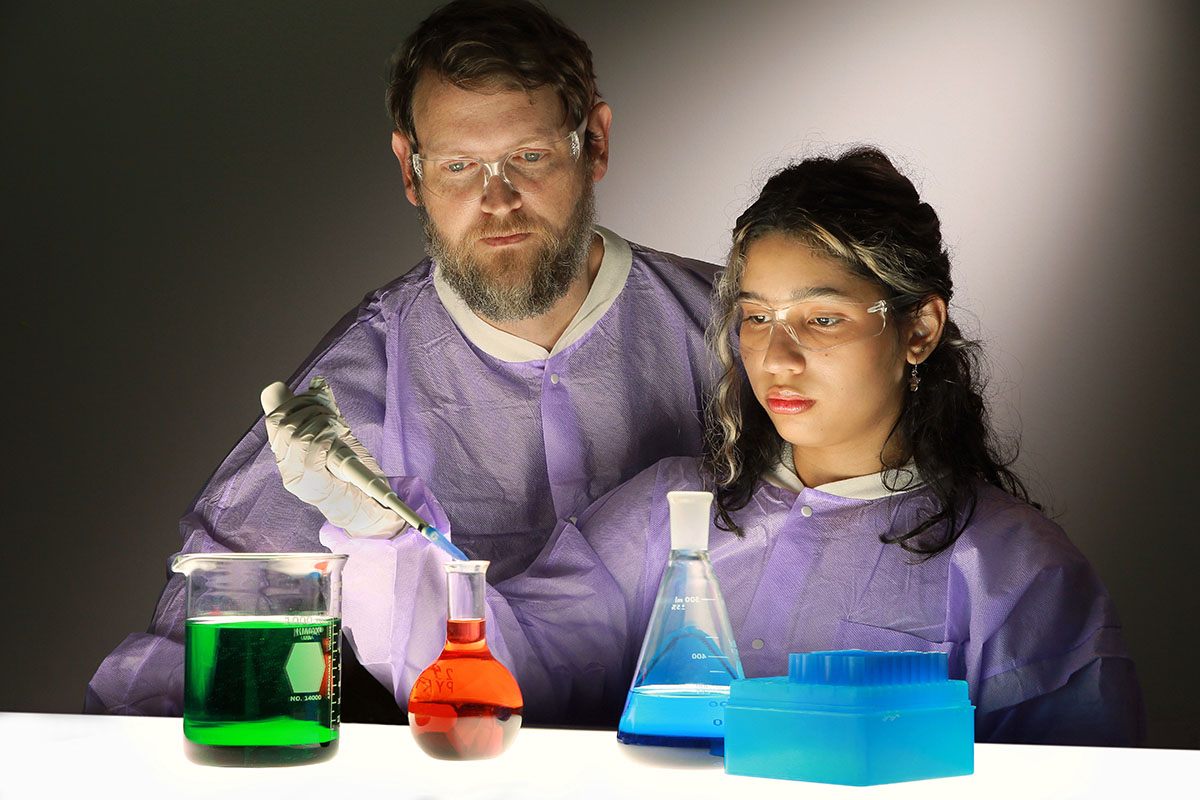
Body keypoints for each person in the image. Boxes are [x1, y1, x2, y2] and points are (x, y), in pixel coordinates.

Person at [321, 147, 1145, 745]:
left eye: (821, 318)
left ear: (920, 328)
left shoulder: (1013, 569)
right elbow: (503, 674)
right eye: (755, 317)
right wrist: (381, 534)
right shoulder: (668, 514)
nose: (776, 358)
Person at [86, 0, 714, 718]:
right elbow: (222, 601)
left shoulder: (738, 331)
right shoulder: (366, 370)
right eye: (457, 166)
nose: (497, 200)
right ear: (410, 171)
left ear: (594, 143)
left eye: (530, 157)